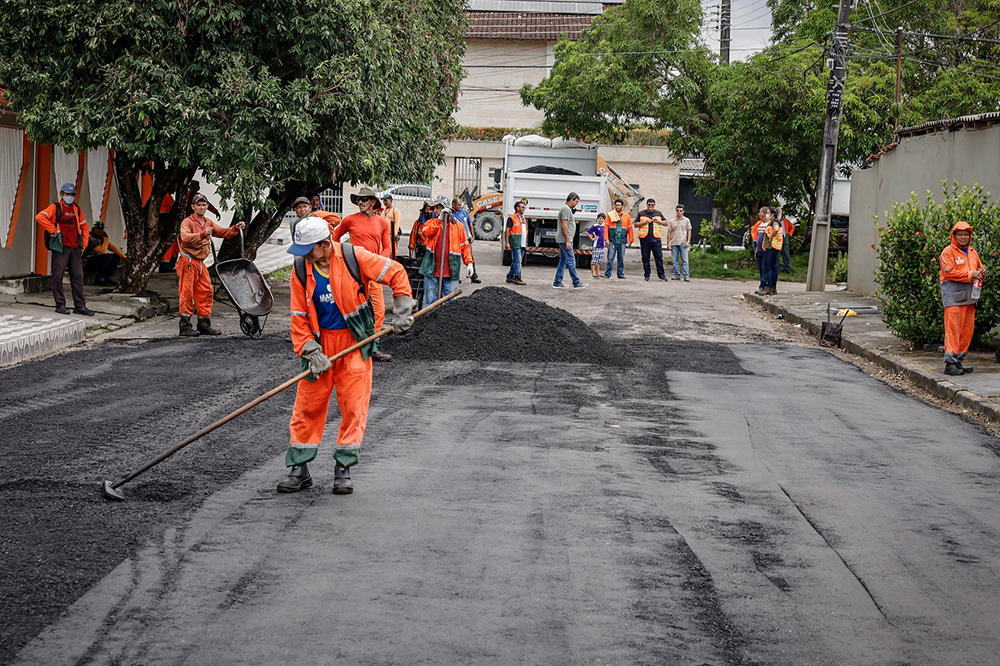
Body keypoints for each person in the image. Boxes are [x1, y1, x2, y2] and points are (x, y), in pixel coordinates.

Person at [279, 217, 415, 494]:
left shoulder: (354, 257)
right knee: (308, 405)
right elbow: (298, 315)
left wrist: (403, 308)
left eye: (310, 250)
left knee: (353, 406)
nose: (305, 256)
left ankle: (344, 466)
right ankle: (300, 468)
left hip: (353, 341)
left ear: (326, 244)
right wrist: (308, 348)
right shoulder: (301, 269)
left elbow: (396, 272)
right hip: (320, 345)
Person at [331, 187, 393, 362]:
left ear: (373, 202)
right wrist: (340, 258)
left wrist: (378, 261)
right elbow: (334, 240)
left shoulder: (382, 223)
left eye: (364, 199)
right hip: (353, 273)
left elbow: (387, 247)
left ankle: (372, 347)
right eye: (358, 199)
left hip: (373, 273)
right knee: (353, 310)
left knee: (379, 312)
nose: (360, 202)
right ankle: (351, 347)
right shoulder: (350, 220)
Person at [176, 193, 245, 336]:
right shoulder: (187, 222)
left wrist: (235, 228)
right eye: (198, 205)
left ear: (207, 206)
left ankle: (204, 325)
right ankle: (185, 327)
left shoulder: (208, 222)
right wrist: (202, 234)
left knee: (206, 292)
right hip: (188, 262)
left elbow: (222, 232)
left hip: (200, 264)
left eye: (204, 205)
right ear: (193, 207)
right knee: (186, 294)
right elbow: (185, 238)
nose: (201, 207)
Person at [35, 183, 94, 316]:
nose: (70, 197)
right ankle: (60, 304)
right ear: (62, 195)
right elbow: (40, 217)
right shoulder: (55, 207)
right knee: (58, 276)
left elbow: (84, 227)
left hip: (75, 248)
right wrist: (52, 229)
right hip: (61, 248)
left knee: (78, 277)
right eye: (67, 194)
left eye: (72, 194)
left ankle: (80, 306)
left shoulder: (77, 209)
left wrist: (84, 244)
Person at [940, 221, 985, 376]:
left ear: (970, 236)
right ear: (954, 236)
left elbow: (979, 268)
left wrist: (981, 274)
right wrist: (972, 275)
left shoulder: (972, 252)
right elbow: (949, 272)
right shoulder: (948, 252)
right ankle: (950, 364)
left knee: (966, 331)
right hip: (954, 299)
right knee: (953, 331)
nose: (963, 237)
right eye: (960, 234)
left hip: (970, 298)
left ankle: (957, 361)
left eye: (966, 234)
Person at [419, 196, 474, 307]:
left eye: (437, 208)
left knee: (451, 304)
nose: (434, 211)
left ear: (446, 209)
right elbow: (427, 232)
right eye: (433, 208)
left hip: (450, 270)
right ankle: (429, 323)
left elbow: (465, 245)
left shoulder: (458, 226)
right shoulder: (432, 223)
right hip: (432, 270)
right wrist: (439, 220)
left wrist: (469, 263)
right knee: (430, 302)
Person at [553, 192, 587, 289]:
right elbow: (564, 226)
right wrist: (568, 240)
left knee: (563, 261)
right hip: (565, 240)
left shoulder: (566, 209)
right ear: (571, 200)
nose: (576, 203)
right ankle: (576, 282)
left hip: (564, 239)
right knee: (571, 260)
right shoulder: (566, 210)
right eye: (576, 201)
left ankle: (557, 281)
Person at [83, 221, 126, 286]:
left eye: (101, 229)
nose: (100, 231)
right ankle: (99, 279)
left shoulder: (101, 238)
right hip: (88, 261)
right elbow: (102, 251)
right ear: (93, 229)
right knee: (107, 257)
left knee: (115, 257)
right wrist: (105, 238)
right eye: (98, 229)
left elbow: (111, 247)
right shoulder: (90, 237)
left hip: (98, 260)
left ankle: (108, 278)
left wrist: (123, 257)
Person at [635, 198, 667, 281]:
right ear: (647, 205)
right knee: (645, 258)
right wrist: (644, 222)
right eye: (649, 205)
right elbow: (635, 224)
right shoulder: (641, 213)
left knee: (659, 257)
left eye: (652, 205)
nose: (650, 206)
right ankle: (647, 275)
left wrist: (659, 221)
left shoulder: (658, 213)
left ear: (654, 205)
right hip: (645, 239)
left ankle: (661, 275)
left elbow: (666, 223)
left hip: (656, 239)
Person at [451, 198, 481, 283]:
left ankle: (473, 276)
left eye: (461, 205)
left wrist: (473, 235)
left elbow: (470, 224)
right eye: (458, 205)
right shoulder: (450, 214)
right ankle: (456, 277)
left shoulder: (464, 212)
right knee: (456, 259)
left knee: (470, 258)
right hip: (455, 240)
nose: (460, 206)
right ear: (453, 205)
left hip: (465, 239)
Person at [755, 208, 783, 295]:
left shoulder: (775, 222)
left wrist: (771, 237)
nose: (767, 215)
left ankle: (769, 287)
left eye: (768, 213)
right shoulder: (774, 221)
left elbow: (776, 228)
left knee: (769, 267)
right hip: (773, 248)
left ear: (772, 214)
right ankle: (772, 288)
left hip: (771, 248)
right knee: (773, 268)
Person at [604, 199, 633, 279]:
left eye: (619, 205)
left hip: (622, 241)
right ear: (614, 206)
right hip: (612, 240)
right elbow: (606, 227)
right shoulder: (610, 215)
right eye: (616, 205)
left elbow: (630, 228)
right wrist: (606, 239)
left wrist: (631, 240)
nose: (618, 207)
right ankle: (607, 274)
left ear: (622, 206)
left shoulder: (627, 216)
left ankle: (620, 274)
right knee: (610, 258)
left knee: (621, 258)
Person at [505, 199, 527, 286]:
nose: (524, 209)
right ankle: (517, 277)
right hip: (515, 242)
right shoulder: (512, 218)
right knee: (518, 261)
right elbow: (507, 230)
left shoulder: (523, 218)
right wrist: (507, 243)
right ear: (517, 208)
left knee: (516, 260)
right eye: (522, 207)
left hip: (522, 242)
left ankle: (510, 275)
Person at [668, 204, 692, 282]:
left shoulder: (686, 220)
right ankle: (677, 275)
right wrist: (668, 243)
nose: (679, 212)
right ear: (676, 211)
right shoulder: (672, 221)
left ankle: (686, 276)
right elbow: (669, 232)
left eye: (681, 211)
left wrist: (688, 241)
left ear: (683, 211)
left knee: (685, 260)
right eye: (678, 210)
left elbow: (689, 231)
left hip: (683, 243)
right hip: (674, 243)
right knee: (674, 260)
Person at [750, 209, 768, 293]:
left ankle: (763, 285)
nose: (759, 214)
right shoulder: (759, 224)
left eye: (760, 212)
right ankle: (763, 284)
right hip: (759, 250)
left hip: (765, 251)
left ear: (765, 213)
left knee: (765, 269)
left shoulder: (769, 224)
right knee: (761, 269)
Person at [586, 213, 607, 279]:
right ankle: (593, 273)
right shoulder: (595, 226)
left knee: (599, 260)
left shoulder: (604, 227)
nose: (601, 220)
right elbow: (587, 232)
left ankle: (598, 273)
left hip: (602, 245)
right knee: (594, 259)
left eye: (602, 219)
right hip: (596, 245)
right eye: (600, 218)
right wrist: (592, 238)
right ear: (597, 219)